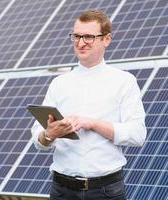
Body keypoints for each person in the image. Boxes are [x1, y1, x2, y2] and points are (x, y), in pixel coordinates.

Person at [31, 9, 147, 200]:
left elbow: (137, 135)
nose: (80, 42)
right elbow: (38, 141)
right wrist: (49, 134)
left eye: (88, 37)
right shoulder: (59, 84)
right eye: (76, 36)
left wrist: (92, 123)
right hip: (62, 190)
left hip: (106, 191)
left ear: (106, 39)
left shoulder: (124, 81)